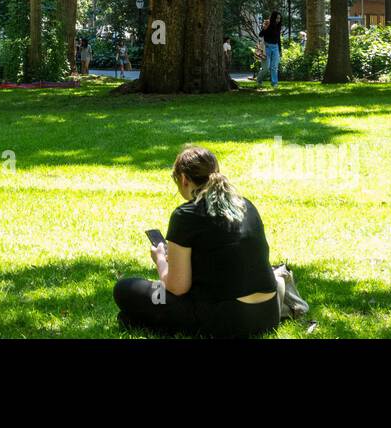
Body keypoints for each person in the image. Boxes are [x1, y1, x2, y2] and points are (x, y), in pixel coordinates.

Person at [113, 145, 280, 338]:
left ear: (183, 179)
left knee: (126, 288)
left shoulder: (186, 215)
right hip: (268, 314)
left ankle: (141, 318)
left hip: (226, 319)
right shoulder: (245, 204)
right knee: (135, 311)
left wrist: (160, 259)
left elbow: (177, 287)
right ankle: (136, 319)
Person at [260, 11, 283, 88]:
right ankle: (259, 79)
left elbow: (278, 39)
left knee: (274, 67)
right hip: (267, 47)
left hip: (275, 47)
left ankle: (274, 83)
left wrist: (280, 50)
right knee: (266, 68)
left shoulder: (278, 26)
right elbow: (261, 35)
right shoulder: (268, 24)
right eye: (277, 18)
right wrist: (264, 28)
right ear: (273, 18)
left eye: (279, 18)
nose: (278, 20)